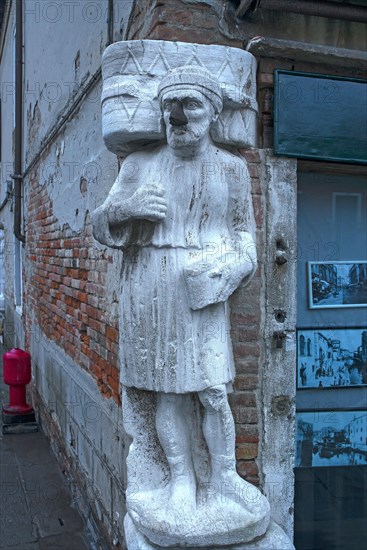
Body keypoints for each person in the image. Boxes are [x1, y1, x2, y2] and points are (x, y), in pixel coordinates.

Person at [92, 66, 262, 516]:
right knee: (168, 394)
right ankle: (181, 480)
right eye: (169, 107)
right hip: (150, 289)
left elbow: (247, 240)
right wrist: (128, 208)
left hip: (205, 290)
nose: (177, 116)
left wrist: (230, 272)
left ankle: (224, 476)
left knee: (211, 391)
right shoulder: (140, 164)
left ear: (211, 113)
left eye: (190, 105)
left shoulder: (232, 169)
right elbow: (100, 223)